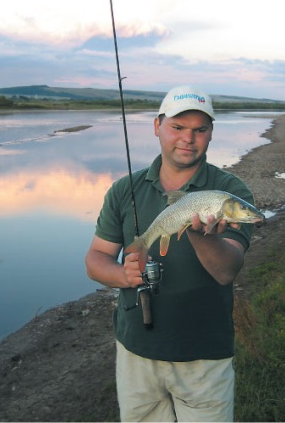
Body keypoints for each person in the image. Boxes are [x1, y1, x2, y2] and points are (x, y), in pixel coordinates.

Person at [85, 84, 256, 422]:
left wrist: (201, 234)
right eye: (177, 127)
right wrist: (122, 274)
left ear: (210, 134)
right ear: (157, 127)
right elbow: (95, 259)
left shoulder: (231, 192)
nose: (187, 138)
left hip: (203, 355)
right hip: (136, 349)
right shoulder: (124, 190)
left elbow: (226, 271)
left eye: (199, 130)